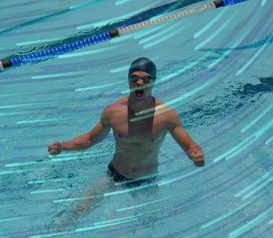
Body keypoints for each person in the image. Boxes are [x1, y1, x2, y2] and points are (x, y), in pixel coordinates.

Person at [47, 57, 204, 227]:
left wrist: (195, 153)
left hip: (146, 180)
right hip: (114, 174)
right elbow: (90, 139)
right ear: (128, 81)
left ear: (153, 82)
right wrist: (63, 146)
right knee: (78, 211)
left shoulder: (166, 115)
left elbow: (189, 144)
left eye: (146, 79)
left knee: (149, 226)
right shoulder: (113, 112)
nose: (139, 82)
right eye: (134, 78)